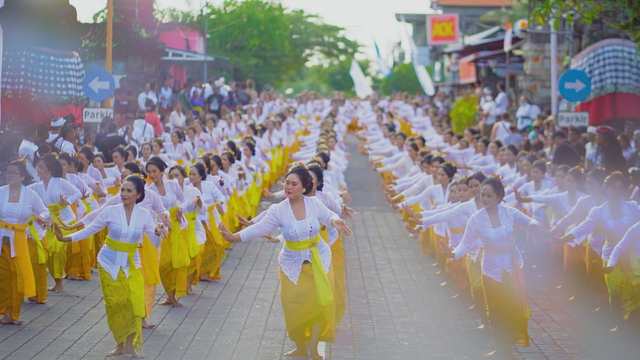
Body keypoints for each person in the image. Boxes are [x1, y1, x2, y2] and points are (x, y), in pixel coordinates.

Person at [218, 165, 352, 360]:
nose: (288, 187)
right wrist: (233, 238)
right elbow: (259, 228)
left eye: (293, 184)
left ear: (304, 187)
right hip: (291, 264)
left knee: (317, 305)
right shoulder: (278, 210)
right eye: (286, 182)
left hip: (318, 259)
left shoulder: (313, 203)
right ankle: (299, 347)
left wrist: (335, 221)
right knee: (293, 306)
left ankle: (313, 348)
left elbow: (328, 215)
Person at [53, 174, 166, 358]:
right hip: (108, 262)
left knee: (133, 303)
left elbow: (154, 242)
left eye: (129, 191)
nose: (124, 193)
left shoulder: (144, 215)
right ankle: (119, 344)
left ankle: (129, 346)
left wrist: (158, 232)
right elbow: (91, 229)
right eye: (122, 189)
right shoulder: (111, 211)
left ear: (138, 194)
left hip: (131, 263)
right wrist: (66, 238)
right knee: (115, 303)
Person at [442, 177, 544, 358]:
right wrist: (452, 254)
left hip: (511, 267)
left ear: (499, 197)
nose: (485, 198)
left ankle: (509, 348)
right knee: (495, 310)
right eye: (483, 195)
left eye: (489, 195)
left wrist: (534, 225)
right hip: (490, 269)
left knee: (512, 309)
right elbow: (465, 244)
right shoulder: (476, 219)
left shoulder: (508, 212)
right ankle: (501, 349)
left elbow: (528, 221)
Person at [0, 160, 50, 325]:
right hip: (2, 240)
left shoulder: (30, 195)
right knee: (4, 277)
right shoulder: (1, 192)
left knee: (18, 277)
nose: (9, 175)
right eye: (8, 171)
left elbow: (44, 210)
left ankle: (13, 314)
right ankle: (6, 312)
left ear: (22, 176)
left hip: (19, 241)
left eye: (13, 172)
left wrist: (41, 217)